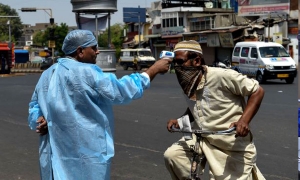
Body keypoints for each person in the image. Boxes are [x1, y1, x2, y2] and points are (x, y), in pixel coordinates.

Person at [28, 29, 171, 180]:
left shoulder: (47, 74)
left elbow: (34, 106)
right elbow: (121, 90)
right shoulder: (87, 73)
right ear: (80, 51)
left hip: (54, 157)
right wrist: (153, 70)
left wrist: (39, 119)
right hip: (84, 155)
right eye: (94, 48)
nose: (97, 52)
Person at [164, 40, 266, 180]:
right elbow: (197, 106)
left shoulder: (222, 76)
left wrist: (244, 121)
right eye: (174, 63)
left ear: (197, 61)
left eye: (180, 62)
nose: (177, 67)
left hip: (230, 143)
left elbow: (257, 91)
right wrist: (180, 121)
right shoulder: (187, 82)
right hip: (202, 139)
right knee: (173, 156)